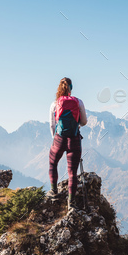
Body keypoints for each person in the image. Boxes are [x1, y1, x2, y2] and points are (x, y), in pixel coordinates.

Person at [48, 77, 87, 208]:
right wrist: (76, 125)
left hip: (59, 139)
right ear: (71, 87)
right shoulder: (78, 102)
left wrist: (56, 137)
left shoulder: (54, 104)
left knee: (53, 163)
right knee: (72, 172)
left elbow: (52, 125)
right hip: (74, 139)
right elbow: (84, 122)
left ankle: (53, 191)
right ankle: (71, 202)